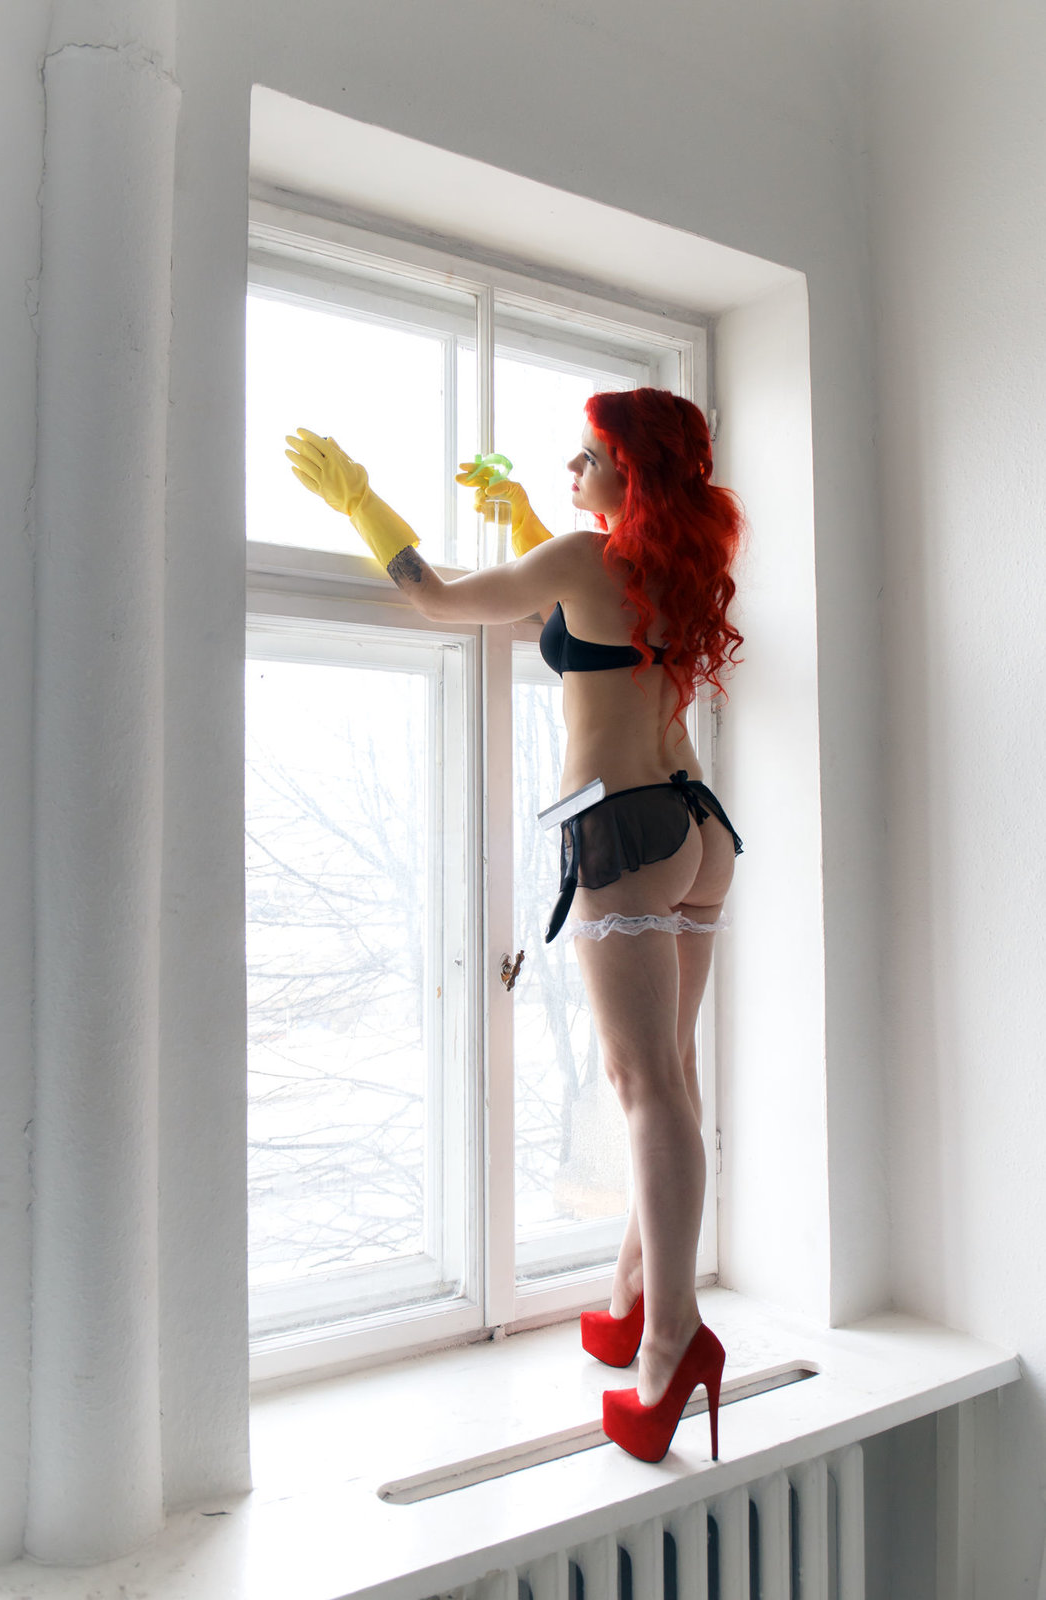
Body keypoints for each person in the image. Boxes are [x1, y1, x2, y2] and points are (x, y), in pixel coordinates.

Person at [285, 388, 744, 1463]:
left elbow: (438, 598)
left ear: (629, 475)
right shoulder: (673, 567)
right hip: (696, 826)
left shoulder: (585, 559)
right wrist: (529, 521)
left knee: (644, 1085)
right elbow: (588, 624)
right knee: (672, 1073)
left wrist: (362, 502)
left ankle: (673, 1340)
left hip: (624, 834)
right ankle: (635, 1298)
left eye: (588, 457)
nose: (570, 469)